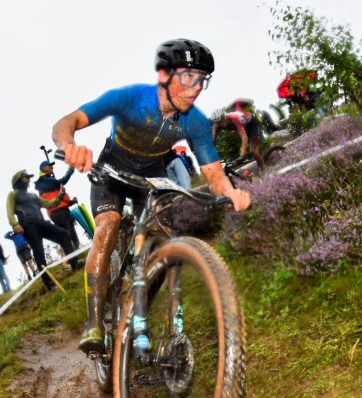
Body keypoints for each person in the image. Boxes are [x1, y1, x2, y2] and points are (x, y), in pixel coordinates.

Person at [52, 38, 251, 356]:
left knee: (164, 238)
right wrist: (69, 146)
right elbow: (67, 122)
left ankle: (142, 307)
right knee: (108, 226)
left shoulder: (195, 122)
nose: (196, 87)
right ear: (164, 75)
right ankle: (94, 323)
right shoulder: (130, 98)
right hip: (111, 174)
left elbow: (213, 173)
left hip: (150, 181)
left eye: (202, 80)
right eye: (188, 76)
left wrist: (231, 192)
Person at [6, 170, 83, 291]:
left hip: (41, 223)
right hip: (28, 226)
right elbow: (9, 212)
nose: (29, 180)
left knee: (63, 234)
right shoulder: (13, 195)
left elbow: (50, 204)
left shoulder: (33, 196)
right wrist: (15, 224)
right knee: (39, 252)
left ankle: (74, 263)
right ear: (19, 180)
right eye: (26, 178)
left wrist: (60, 196)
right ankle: (49, 283)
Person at [34, 160, 80, 250]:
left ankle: (73, 254)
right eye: (49, 166)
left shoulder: (46, 182)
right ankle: (74, 254)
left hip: (58, 212)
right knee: (69, 233)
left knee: (68, 232)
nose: (52, 167)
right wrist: (70, 169)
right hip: (59, 212)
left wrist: (72, 202)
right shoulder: (44, 181)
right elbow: (63, 181)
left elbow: (58, 199)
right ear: (44, 169)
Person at [211, 101, 266, 170]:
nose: (221, 124)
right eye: (219, 123)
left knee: (253, 151)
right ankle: (260, 159)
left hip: (253, 123)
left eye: (222, 121)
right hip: (245, 127)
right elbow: (212, 142)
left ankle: (264, 168)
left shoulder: (233, 118)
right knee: (251, 150)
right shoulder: (217, 126)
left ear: (225, 117)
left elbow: (244, 137)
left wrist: (241, 155)